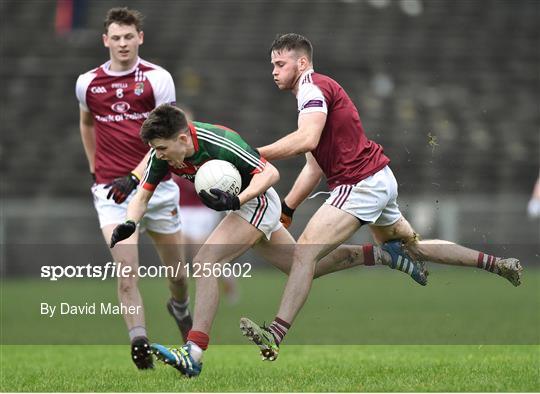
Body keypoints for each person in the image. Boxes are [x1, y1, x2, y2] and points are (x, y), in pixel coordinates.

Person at [239, 33, 524, 362]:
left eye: (280, 64)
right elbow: (314, 166)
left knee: (304, 254)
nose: (273, 70)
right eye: (272, 64)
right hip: (379, 180)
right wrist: (288, 207)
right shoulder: (317, 92)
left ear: (301, 63)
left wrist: (254, 153)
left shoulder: (311, 88)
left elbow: (306, 139)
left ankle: (274, 335)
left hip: (360, 185)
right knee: (413, 245)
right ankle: (500, 265)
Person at [109, 104, 428, 377]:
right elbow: (142, 197)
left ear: (181, 138)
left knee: (206, 262)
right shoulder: (162, 154)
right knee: (302, 267)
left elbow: (270, 174)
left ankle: (193, 354)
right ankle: (387, 256)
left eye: (163, 149)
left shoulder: (219, 141)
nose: (160, 156)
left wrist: (238, 200)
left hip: (258, 200)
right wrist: (128, 223)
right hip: (243, 206)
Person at [75, 7, 191, 370]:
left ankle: (180, 308)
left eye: (129, 37)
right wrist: (96, 169)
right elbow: (86, 124)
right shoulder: (87, 83)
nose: (123, 43)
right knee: (126, 271)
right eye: (116, 37)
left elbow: (168, 138)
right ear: (105, 40)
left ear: (139, 38)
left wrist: (136, 176)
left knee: (178, 274)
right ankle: (139, 342)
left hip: (157, 187)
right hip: (112, 194)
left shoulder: (158, 79)